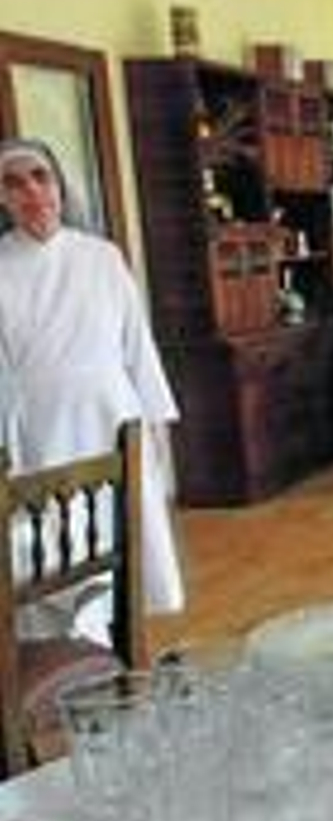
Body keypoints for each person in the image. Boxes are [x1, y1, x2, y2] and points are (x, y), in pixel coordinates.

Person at [0, 137, 185, 635]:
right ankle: (77, 653)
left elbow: (137, 348)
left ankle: (128, 648)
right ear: (2, 198)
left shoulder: (102, 257)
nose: (31, 192)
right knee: (60, 547)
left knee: (123, 533)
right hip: (42, 431)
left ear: (59, 185)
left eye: (40, 177)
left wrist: (159, 432)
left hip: (113, 420)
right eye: (13, 183)